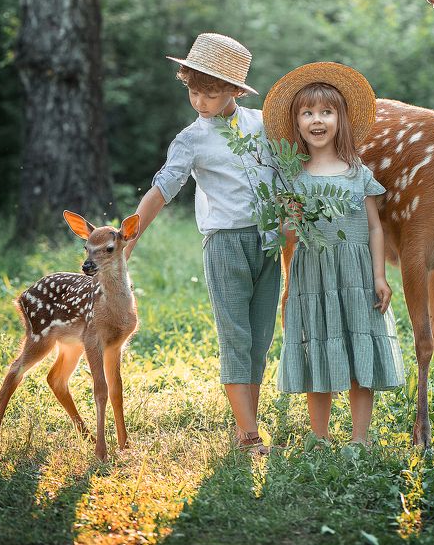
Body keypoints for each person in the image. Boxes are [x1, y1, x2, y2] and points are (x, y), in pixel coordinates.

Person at [127, 33, 280, 455]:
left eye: (210, 93)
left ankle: (249, 416)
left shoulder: (263, 124)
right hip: (225, 243)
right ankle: (248, 432)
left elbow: (288, 172)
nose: (200, 102)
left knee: (260, 337)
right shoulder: (192, 138)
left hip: (267, 240)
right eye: (193, 91)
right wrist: (130, 237)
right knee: (234, 334)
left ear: (234, 90)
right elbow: (162, 189)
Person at [262, 62, 404, 446]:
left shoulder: (357, 172)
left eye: (326, 112)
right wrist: (288, 222)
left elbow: (375, 227)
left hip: (356, 273)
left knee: (360, 348)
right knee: (317, 348)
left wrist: (379, 276)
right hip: (312, 274)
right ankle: (319, 436)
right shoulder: (294, 176)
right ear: (296, 122)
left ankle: (360, 438)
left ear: (341, 119)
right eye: (307, 113)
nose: (317, 120)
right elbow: (288, 236)